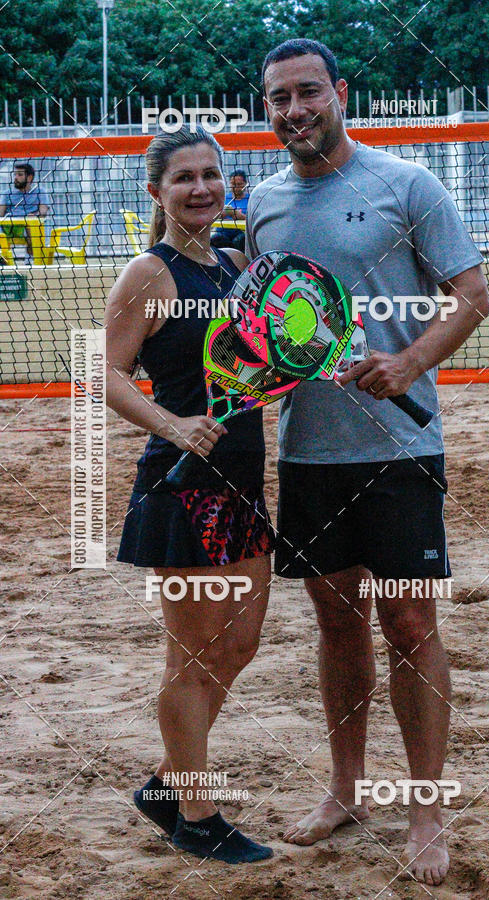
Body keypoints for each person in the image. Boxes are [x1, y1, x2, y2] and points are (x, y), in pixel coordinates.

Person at [247, 39, 489, 887]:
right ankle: (347, 790)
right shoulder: (263, 201)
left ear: (340, 92)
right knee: (339, 627)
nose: (294, 110)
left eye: (308, 92)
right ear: (266, 107)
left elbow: (472, 295)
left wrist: (410, 363)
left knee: (412, 627)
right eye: (278, 98)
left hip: (402, 450)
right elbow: (270, 322)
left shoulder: (408, 184)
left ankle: (427, 808)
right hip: (310, 453)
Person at [105, 126, 273, 863]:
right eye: (184, 178)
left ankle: (168, 784)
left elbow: (263, 361)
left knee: (238, 646)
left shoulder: (238, 265)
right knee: (193, 659)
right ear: (157, 191)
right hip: (183, 486)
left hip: (243, 477)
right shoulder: (150, 273)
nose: (201, 187)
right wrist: (173, 424)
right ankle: (196, 816)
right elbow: (104, 373)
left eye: (211, 174)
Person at [0, 163, 50, 262]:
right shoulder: (7, 194)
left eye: (20, 175)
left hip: (31, 227)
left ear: (29, 177)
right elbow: (0, 214)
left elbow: (43, 211)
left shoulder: (40, 192)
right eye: (15, 174)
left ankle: (31, 261)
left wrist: (35, 216)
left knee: (31, 224)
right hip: (10, 228)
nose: (16, 177)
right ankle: (3, 259)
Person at [211, 169, 249, 251]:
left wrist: (237, 215)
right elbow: (211, 217)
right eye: (233, 184)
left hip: (241, 233)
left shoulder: (251, 199)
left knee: (240, 240)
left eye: (239, 184)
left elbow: (253, 220)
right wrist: (220, 214)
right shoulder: (223, 198)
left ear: (245, 184)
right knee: (216, 239)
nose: (236, 187)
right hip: (223, 233)